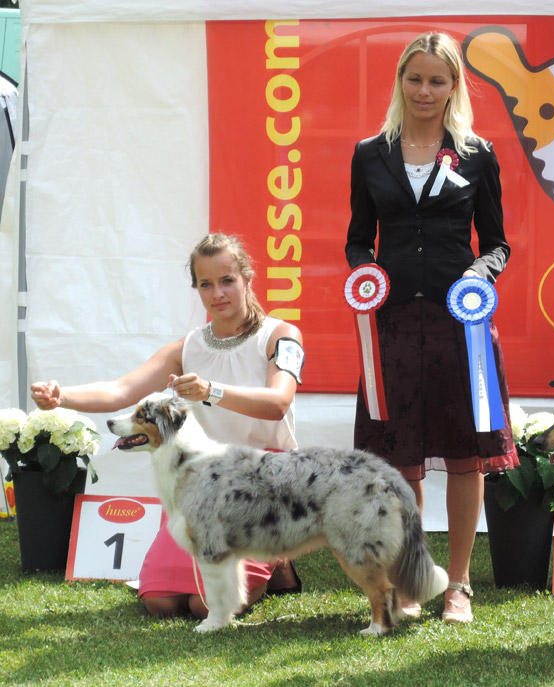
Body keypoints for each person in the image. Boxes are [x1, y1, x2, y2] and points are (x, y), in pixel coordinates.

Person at [31, 233, 304, 618]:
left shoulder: (280, 335)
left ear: (247, 279)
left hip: (264, 475)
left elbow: (278, 403)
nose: (217, 293)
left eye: (227, 280)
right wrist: (62, 396)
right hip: (202, 479)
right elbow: (121, 390)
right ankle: (273, 561)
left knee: (204, 605)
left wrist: (211, 390)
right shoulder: (187, 347)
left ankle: (274, 558)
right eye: (205, 284)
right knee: (160, 602)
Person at [345, 32, 518, 624]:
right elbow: (357, 239)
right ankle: (412, 576)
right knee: (401, 461)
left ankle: (460, 583)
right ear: (401, 81)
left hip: (459, 325)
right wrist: (366, 272)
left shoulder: (479, 154)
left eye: (437, 80)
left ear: (454, 86)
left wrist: (476, 275)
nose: (424, 90)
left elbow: (497, 244)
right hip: (393, 325)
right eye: (415, 78)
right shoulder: (369, 153)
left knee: (466, 456)